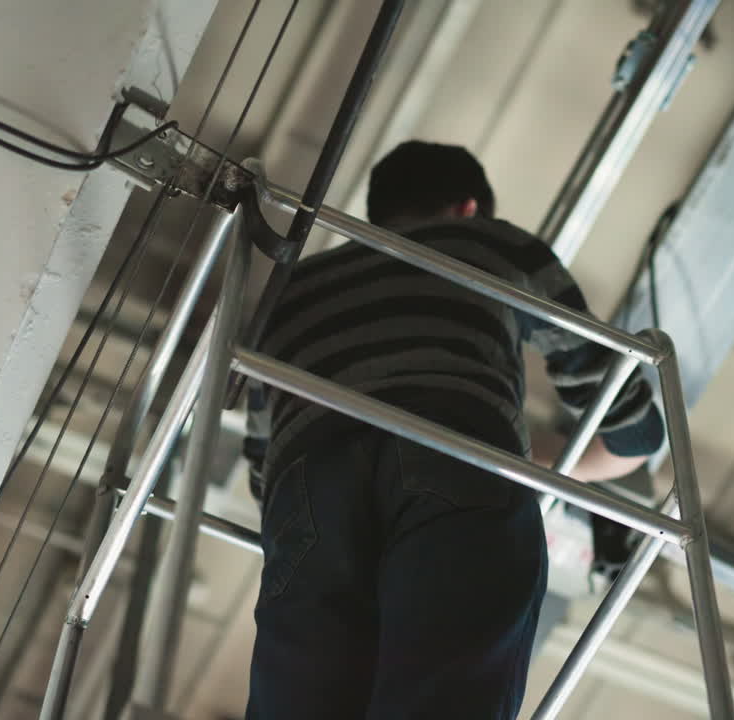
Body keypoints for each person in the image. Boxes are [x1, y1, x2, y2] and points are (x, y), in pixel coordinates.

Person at [244, 140, 666, 719]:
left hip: (306, 486)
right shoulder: (484, 242)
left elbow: (261, 472)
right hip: (451, 449)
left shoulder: (291, 288)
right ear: (470, 208)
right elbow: (634, 433)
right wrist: (544, 461)